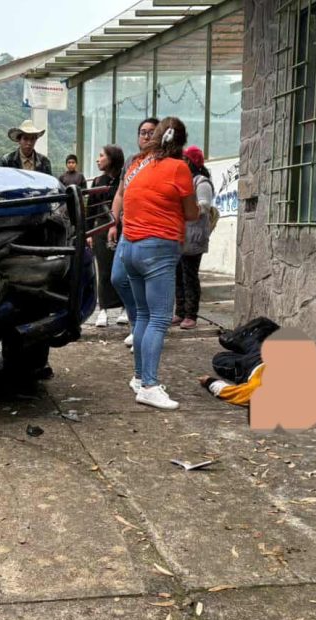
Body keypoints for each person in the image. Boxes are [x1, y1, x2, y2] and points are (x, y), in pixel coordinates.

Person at [109, 116, 199, 410]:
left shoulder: (136, 166)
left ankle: (138, 377)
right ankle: (149, 384)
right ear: (181, 142)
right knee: (159, 318)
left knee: (143, 317)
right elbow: (191, 212)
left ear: (157, 137)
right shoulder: (179, 168)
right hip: (158, 248)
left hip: (130, 247)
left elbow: (124, 201)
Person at [112, 117, 161, 345]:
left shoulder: (165, 161)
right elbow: (120, 193)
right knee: (118, 278)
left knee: (147, 282)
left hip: (153, 230)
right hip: (128, 229)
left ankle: (146, 329)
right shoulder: (131, 161)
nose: (147, 135)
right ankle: (137, 321)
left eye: (152, 132)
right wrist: (114, 222)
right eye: (143, 132)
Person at [175, 146, 215, 330]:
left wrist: (185, 209)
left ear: (191, 162)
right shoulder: (185, 181)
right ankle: (180, 311)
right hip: (181, 236)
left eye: (184, 159)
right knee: (178, 275)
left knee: (189, 275)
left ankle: (191, 314)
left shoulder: (201, 182)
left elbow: (204, 206)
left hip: (194, 237)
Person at [85, 145, 125, 328]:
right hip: (101, 227)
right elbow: (90, 209)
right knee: (104, 269)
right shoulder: (98, 181)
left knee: (123, 269)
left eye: (101, 156)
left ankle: (125, 307)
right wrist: (88, 233)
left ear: (112, 158)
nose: (97, 159)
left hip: (124, 227)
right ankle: (103, 310)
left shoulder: (123, 180)